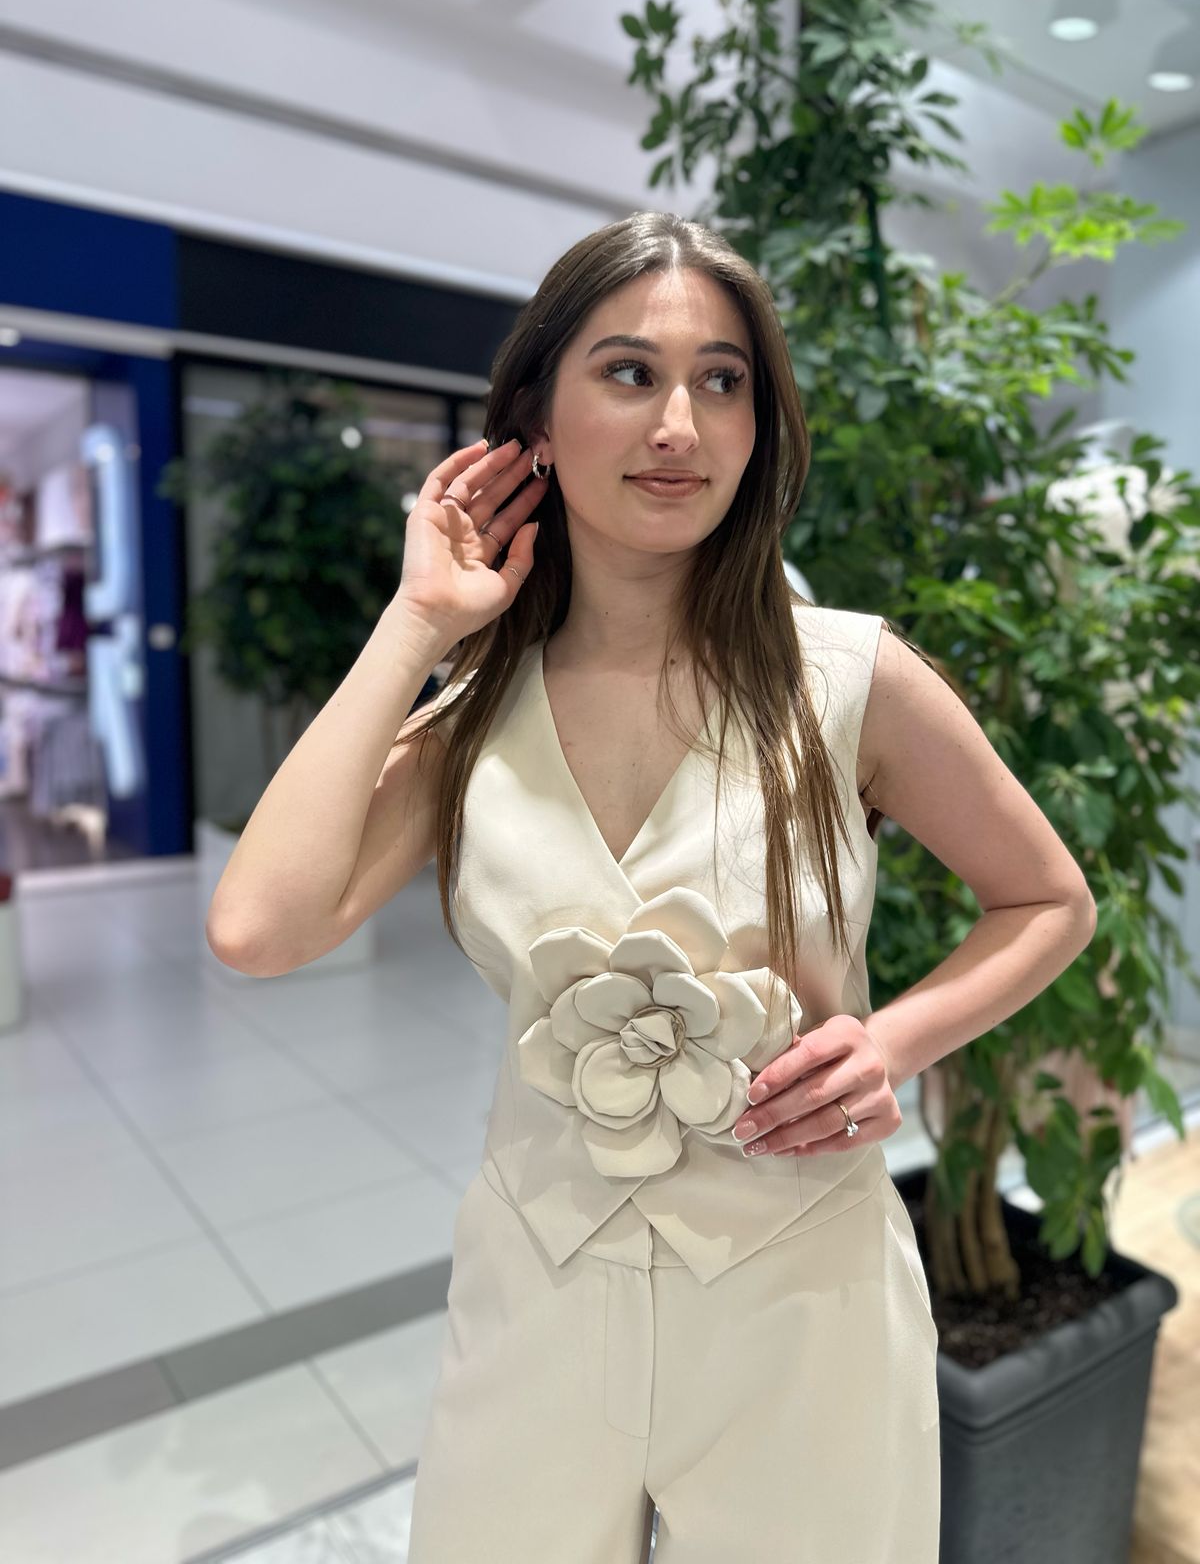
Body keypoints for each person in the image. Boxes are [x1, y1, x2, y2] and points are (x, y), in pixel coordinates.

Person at [207, 212, 1097, 1563]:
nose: (679, 424)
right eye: (628, 372)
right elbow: (258, 927)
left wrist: (897, 1040)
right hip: (540, 1280)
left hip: (804, 1289)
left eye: (721, 380)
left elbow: (1048, 901)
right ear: (536, 423)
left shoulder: (848, 676)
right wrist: (418, 621)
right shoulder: (471, 715)